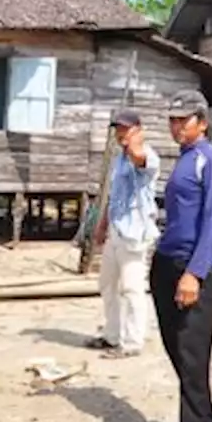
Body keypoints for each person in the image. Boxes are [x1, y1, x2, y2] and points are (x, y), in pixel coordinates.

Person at [151, 89, 212, 422]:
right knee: (176, 347)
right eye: (172, 119)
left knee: (193, 351)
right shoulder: (183, 161)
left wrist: (194, 273)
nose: (177, 126)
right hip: (167, 261)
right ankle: (207, 420)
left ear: (202, 121)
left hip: (194, 268)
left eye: (184, 119)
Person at [87, 108, 160, 359]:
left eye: (126, 129)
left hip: (135, 234)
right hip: (117, 229)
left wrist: (133, 144)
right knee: (107, 284)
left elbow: (141, 160)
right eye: (118, 129)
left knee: (132, 288)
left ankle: (132, 342)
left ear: (138, 130)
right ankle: (112, 334)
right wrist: (102, 224)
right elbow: (115, 196)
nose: (120, 134)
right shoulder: (119, 160)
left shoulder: (147, 155)